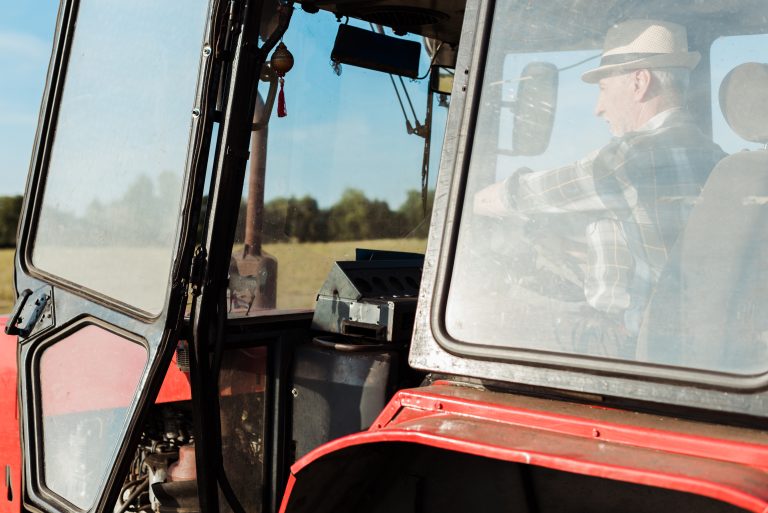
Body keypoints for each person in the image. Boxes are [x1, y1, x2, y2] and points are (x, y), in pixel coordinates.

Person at [474, 19, 726, 347]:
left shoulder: (630, 160)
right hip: (686, 337)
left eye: (604, 89)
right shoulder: (715, 157)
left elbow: (523, 195)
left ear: (639, 82)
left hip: (633, 343)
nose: (598, 108)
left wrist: (470, 204)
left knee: (484, 315)